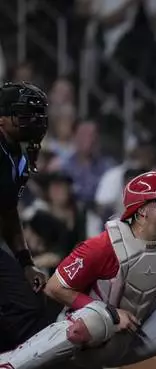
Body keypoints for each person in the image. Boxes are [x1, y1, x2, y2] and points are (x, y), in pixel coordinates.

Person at [0, 168, 156, 369]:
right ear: (142, 211)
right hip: (88, 340)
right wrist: (112, 313)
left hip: (136, 333)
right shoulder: (103, 245)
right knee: (97, 318)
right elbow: (54, 288)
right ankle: (10, 364)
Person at [0, 82, 51, 352]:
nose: (33, 121)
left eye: (37, 115)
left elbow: (8, 211)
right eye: (24, 114)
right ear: (1, 118)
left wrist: (26, 263)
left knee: (31, 304)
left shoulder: (17, 154)